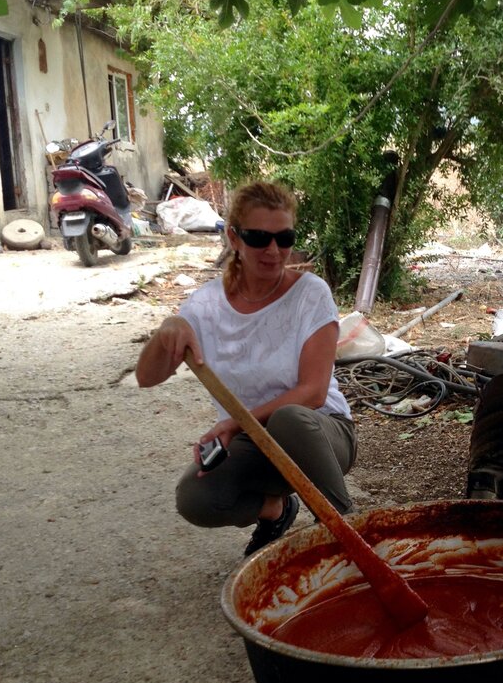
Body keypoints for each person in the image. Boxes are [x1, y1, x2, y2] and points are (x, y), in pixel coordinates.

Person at [136, 180, 356, 556]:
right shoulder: (206, 306)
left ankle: (347, 531)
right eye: (259, 238)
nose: (274, 250)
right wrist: (166, 332)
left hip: (321, 435)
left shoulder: (310, 294)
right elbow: (147, 377)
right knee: (195, 498)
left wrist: (234, 423)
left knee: (289, 417)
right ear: (234, 238)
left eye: (284, 238)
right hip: (257, 444)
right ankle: (276, 509)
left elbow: (314, 393)